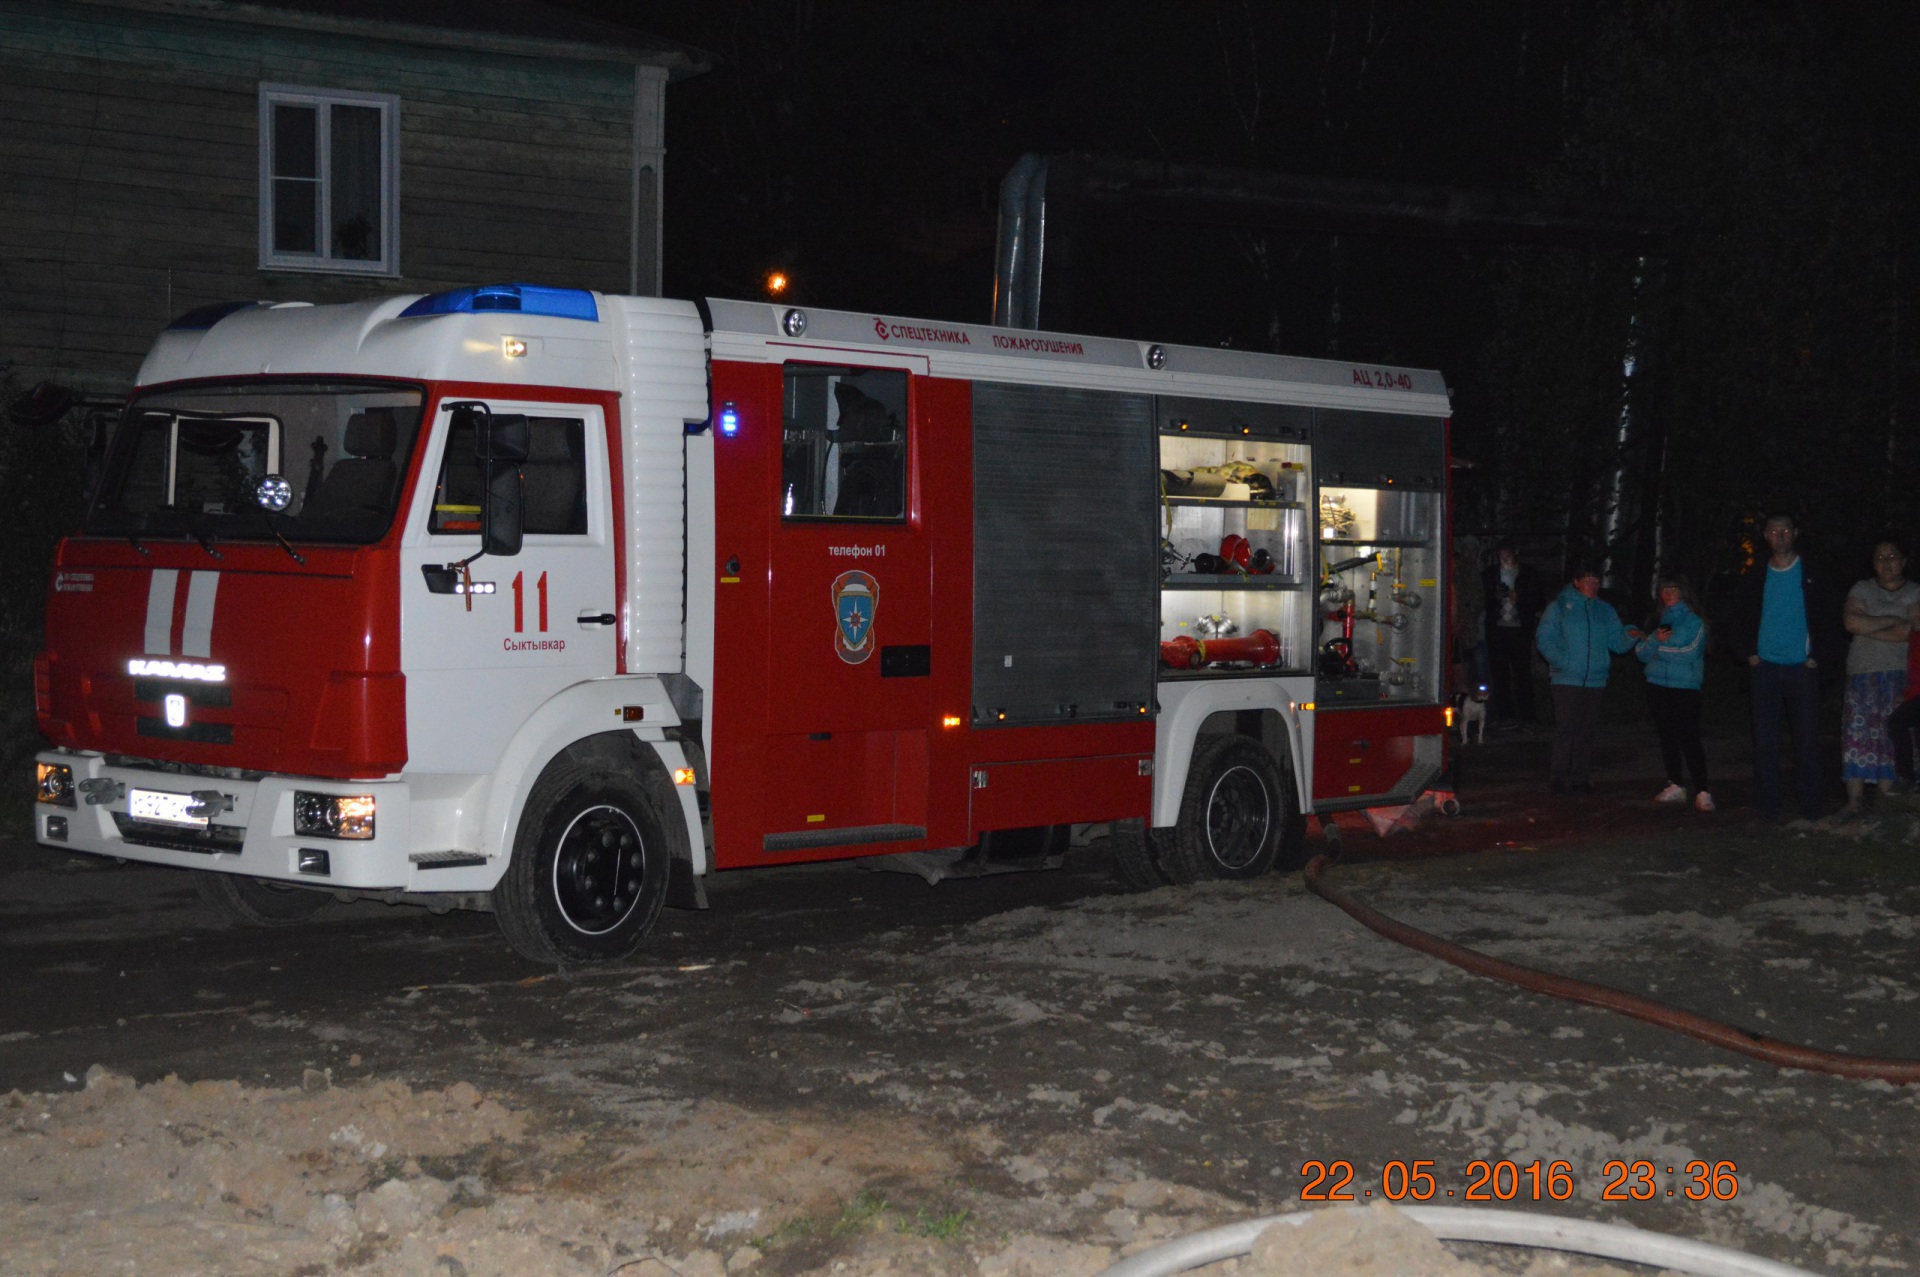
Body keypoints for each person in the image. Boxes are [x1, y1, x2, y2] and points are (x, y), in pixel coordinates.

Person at [1725, 513, 1846, 828]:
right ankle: (1768, 810)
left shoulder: (1813, 573)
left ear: (1796, 533)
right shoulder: (1756, 574)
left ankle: (1810, 810)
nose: (1780, 536)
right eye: (1773, 531)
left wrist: (1817, 657)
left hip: (1801, 670)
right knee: (1765, 743)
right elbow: (1737, 616)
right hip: (1764, 668)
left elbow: (1831, 619)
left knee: (1806, 741)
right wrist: (1749, 653)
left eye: (1785, 530)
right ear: (1766, 536)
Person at [1535, 563, 1638, 793]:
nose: (1592, 584)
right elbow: (1544, 638)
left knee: (1586, 729)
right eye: (1588, 580)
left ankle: (1579, 778)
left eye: (1596, 580)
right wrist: (1562, 661)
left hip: (1595, 679)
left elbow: (1616, 643)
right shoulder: (1560, 606)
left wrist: (1629, 636)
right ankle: (1559, 778)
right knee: (1566, 728)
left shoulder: (1605, 610)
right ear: (1576, 582)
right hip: (1566, 678)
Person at [1838, 539, 1920, 818]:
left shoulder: (1915, 592)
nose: (1886, 562)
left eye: (1892, 556)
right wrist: (1895, 620)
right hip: (1862, 673)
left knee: (1890, 738)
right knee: (1857, 737)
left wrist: (1869, 625)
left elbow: (1910, 633)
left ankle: (1887, 802)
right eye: (1880, 557)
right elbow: (1851, 623)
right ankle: (1854, 802)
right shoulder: (1862, 589)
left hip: (1899, 676)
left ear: (1904, 561)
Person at [1635, 575, 1712, 812]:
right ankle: (1676, 784)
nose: (1667, 593)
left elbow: (1688, 652)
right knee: (1667, 736)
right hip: (1657, 684)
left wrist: (1658, 647)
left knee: (1689, 737)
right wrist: (1656, 644)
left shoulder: (1694, 621)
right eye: (1663, 588)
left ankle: (1702, 790)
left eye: (1672, 588)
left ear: (1683, 591)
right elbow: (1641, 652)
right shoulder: (1660, 620)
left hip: (1684, 686)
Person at [1482, 543, 1545, 727]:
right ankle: (1505, 716)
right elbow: (1481, 600)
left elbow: (1539, 601)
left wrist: (1520, 599)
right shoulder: (1489, 574)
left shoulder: (1528, 574)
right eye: (1501, 551)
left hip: (1519, 630)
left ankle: (1527, 716)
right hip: (1497, 630)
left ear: (1515, 552)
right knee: (1500, 675)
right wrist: (1495, 597)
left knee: (1522, 673)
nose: (1504, 555)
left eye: (1507, 551)